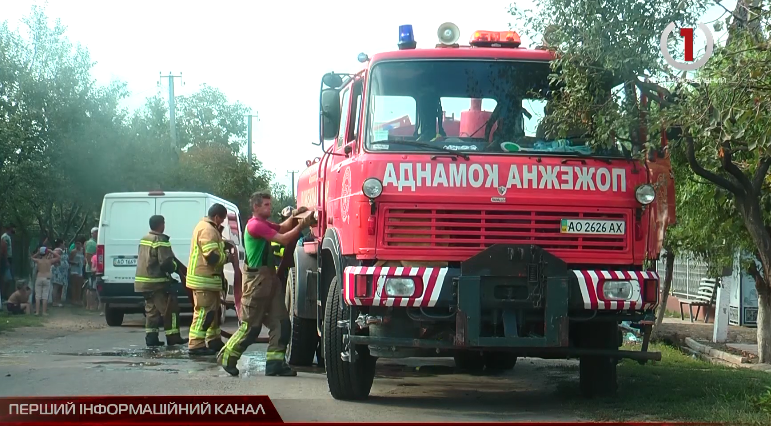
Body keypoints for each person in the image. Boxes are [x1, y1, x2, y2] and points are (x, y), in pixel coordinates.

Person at [218, 191, 315, 377]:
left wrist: (295, 217)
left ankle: (275, 364)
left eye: (270, 205)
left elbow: (281, 228)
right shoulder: (255, 226)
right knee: (251, 327)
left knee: (281, 324)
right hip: (257, 282)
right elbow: (284, 238)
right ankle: (227, 357)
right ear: (255, 207)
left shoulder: (262, 224)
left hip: (269, 280)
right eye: (266, 205)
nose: (269, 208)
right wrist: (302, 224)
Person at [186, 204, 233, 356]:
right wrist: (227, 257)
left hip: (209, 280)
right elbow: (211, 256)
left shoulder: (209, 228)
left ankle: (213, 339)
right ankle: (196, 344)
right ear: (217, 217)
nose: (222, 223)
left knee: (214, 312)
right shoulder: (208, 230)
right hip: (203, 280)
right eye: (222, 219)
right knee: (204, 313)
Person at [135, 215, 188, 347]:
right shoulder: (161, 240)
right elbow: (166, 264)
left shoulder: (144, 239)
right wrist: (177, 270)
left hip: (143, 283)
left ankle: (151, 339)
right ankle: (173, 337)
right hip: (157, 283)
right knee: (171, 310)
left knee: (151, 311)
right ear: (161, 224)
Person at [31, 247, 60, 316]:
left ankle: (37, 312)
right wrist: (51, 251)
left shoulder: (38, 260)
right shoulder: (49, 261)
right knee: (45, 296)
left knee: (37, 296)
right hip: (47, 278)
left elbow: (31, 257)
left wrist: (38, 253)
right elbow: (58, 257)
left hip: (39, 278)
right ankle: (44, 312)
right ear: (47, 253)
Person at [84, 228, 101, 313]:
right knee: (92, 288)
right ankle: (90, 305)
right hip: (92, 269)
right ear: (93, 233)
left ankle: (89, 305)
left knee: (91, 287)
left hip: (93, 268)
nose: (98, 233)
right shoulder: (91, 243)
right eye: (97, 232)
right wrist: (92, 267)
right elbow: (88, 255)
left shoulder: (95, 242)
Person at [51, 240, 69, 307]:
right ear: (60, 244)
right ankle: (54, 301)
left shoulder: (63, 251)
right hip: (58, 271)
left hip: (63, 272)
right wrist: (56, 263)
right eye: (64, 244)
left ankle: (58, 301)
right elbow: (53, 257)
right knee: (56, 286)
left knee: (60, 286)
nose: (64, 245)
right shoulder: (58, 250)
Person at [68, 240, 85, 306]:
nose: (78, 245)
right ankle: (74, 299)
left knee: (79, 286)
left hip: (80, 270)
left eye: (79, 244)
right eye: (76, 244)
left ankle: (78, 299)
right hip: (74, 270)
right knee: (74, 285)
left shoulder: (82, 251)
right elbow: (69, 260)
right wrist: (75, 263)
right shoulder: (73, 251)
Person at [1, 224, 15, 303]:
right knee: (7, 278)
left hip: (9, 259)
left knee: (9, 279)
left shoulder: (8, 236)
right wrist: (6, 261)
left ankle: (5, 296)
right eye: (13, 228)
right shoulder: (5, 237)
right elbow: (4, 250)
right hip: (6, 259)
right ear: (10, 228)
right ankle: (3, 296)